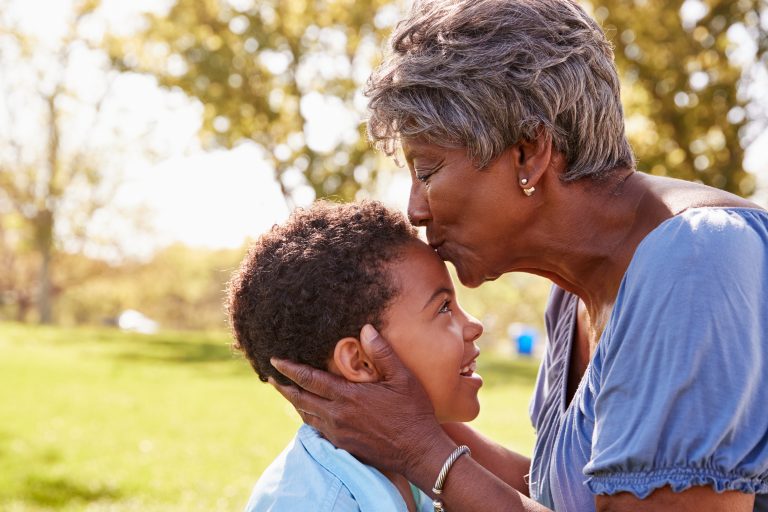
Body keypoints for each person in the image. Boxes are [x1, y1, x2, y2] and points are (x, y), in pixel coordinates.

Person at [269, 0, 768, 511]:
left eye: (427, 171)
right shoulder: (572, 297)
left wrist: (422, 451)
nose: (415, 210)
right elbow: (568, 497)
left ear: (529, 152)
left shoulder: (697, 260)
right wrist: (396, 414)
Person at [227, 200, 485, 512]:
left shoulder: (405, 470)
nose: (473, 325)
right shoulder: (316, 504)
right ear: (360, 362)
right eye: (443, 308)